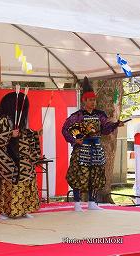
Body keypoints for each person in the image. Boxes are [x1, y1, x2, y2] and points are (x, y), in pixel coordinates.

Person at [62, 77, 124, 212]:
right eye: (90, 100)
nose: (93, 102)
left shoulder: (100, 115)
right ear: (84, 101)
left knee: (95, 175)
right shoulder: (77, 116)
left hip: (96, 149)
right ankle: (77, 203)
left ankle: (92, 202)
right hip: (82, 149)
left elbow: (105, 129)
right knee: (80, 175)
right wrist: (74, 140)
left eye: (94, 100)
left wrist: (115, 124)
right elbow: (65, 129)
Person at [0, 91, 41, 219]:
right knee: (7, 184)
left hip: (23, 158)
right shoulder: (3, 120)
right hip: (9, 157)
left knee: (26, 181)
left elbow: (25, 133)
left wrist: (35, 134)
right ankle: (3, 210)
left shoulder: (20, 121)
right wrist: (10, 134)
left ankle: (24, 208)